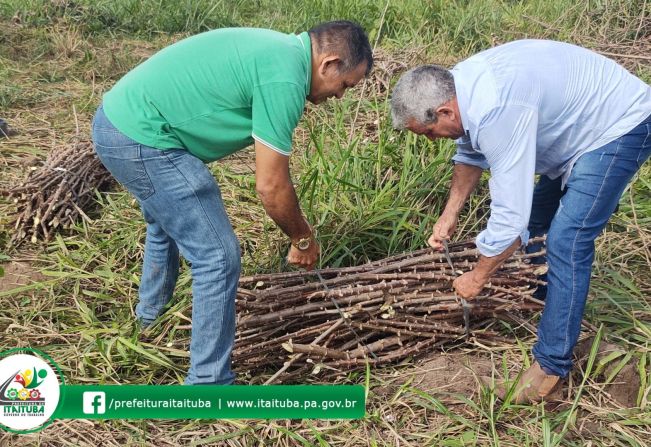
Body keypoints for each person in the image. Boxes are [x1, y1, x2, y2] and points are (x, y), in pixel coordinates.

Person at [92, 21, 373, 384]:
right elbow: (271, 186)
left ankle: (147, 321)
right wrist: (302, 238)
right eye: (345, 85)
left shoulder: (280, 52)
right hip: (142, 138)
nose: (340, 96)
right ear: (329, 64)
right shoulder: (285, 77)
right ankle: (208, 384)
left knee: (167, 224)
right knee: (218, 256)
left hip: (119, 120)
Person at [390, 39, 651, 403]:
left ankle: (550, 367)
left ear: (445, 112)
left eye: (429, 132)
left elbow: (511, 221)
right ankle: (548, 304)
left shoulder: (497, 109)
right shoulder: (461, 88)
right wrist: (448, 216)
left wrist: (478, 277)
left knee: (567, 240)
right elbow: (469, 151)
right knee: (539, 222)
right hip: (575, 129)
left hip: (617, 125)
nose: (432, 140)